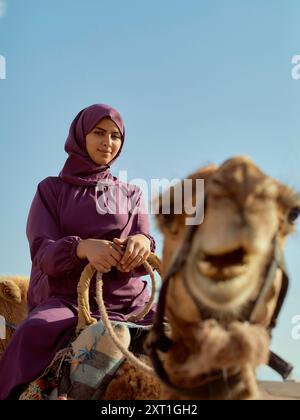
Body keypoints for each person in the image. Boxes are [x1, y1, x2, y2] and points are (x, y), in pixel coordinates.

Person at [0, 104, 156, 400]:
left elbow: (145, 238)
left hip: (131, 302)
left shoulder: (131, 193)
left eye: (114, 136)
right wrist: (82, 248)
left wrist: (142, 244)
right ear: (80, 135)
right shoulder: (51, 190)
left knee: (198, 338)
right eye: (99, 133)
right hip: (69, 299)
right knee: (32, 332)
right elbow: (41, 251)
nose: (107, 142)